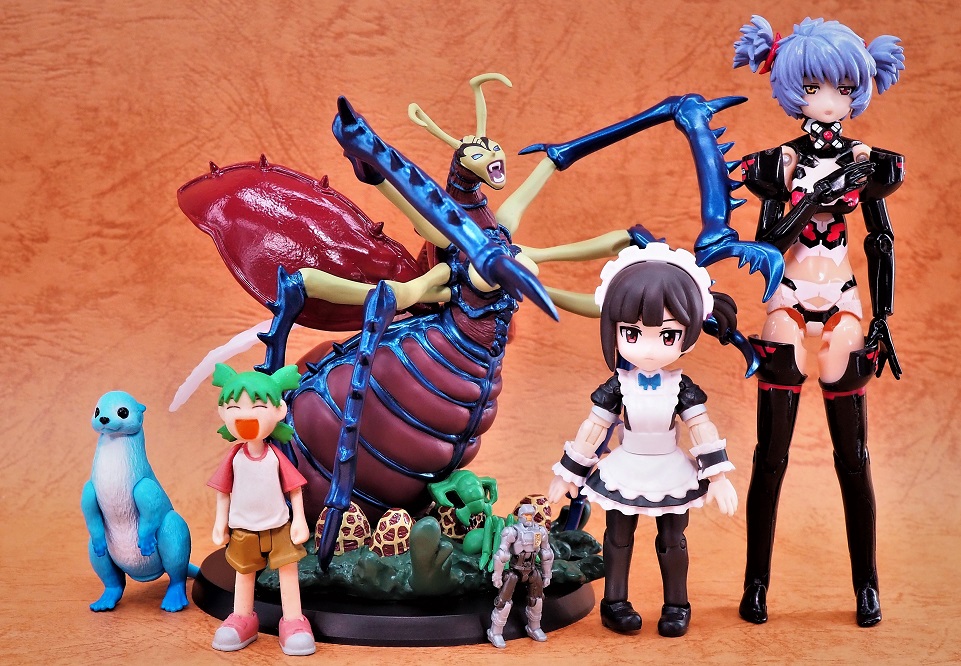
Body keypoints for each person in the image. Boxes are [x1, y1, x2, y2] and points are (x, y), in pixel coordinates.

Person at [733, 15, 905, 627]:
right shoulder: (778, 163)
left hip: (844, 302)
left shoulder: (867, 161)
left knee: (853, 456)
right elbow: (768, 246)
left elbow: (880, 240)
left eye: (841, 88)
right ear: (790, 89)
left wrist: (883, 316)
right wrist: (813, 197)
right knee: (770, 457)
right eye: (813, 88)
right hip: (786, 299)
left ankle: (867, 586)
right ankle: (756, 585)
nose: (828, 101)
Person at [548, 243, 737, 638]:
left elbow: (701, 426)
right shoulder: (619, 385)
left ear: (687, 333)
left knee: (673, 539)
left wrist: (718, 476)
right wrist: (568, 473)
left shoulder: (680, 386)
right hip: (626, 466)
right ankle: (614, 603)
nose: (648, 349)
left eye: (667, 335)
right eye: (632, 333)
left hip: (670, 467)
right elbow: (594, 428)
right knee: (618, 537)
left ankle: (677, 605)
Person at [207, 363, 316, 656]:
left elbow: (294, 488)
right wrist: (220, 523)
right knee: (244, 572)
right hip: (243, 528)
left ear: (279, 411)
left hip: (279, 526)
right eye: (234, 408)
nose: (246, 416)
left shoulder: (275, 457)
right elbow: (223, 492)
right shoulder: (234, 458)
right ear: (223, 413)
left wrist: (299, 520)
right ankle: (242, 617)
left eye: (257, 406)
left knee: (288, 570)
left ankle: (293, 620)